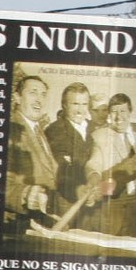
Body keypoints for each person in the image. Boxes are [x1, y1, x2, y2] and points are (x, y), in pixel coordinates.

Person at [83, 93, 136, 236]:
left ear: (130, 111)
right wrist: (93, 176)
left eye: (123, 111)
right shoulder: (100, 135)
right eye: (114, 111)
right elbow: (94, 162)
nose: (118, 117)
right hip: (114, 205)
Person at [3, 74, 60, 226]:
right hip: (17, 225)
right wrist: (25, 194)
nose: (39, 99)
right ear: (17, 97)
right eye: (33, 92)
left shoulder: (38, 130)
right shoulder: (11, 130)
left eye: (43, 94)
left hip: (41, 220)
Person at [45, 83, 94, 212]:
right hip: (67, 203)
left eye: (84, 104)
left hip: (94, 203)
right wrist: (77, 189)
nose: (80, 110)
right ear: (64, 105)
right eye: (75, 104)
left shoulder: (94, 128)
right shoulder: (55, 130)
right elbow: (60, 167)